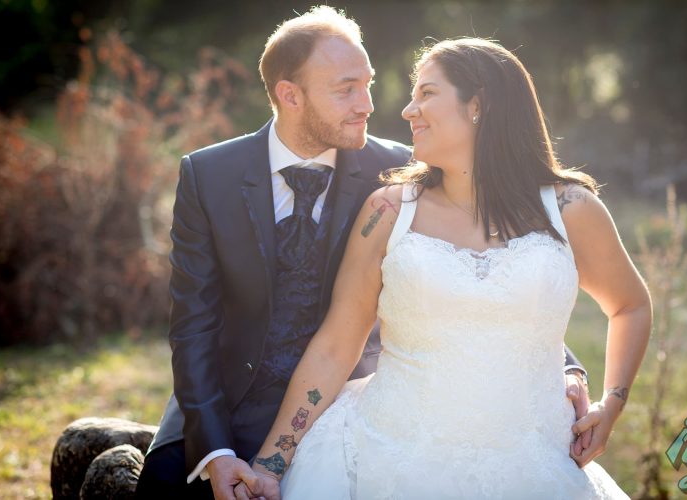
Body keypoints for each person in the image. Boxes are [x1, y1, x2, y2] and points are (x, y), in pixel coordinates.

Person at [136, 8, 591, 499]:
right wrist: (216, 451)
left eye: (368, 84)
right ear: (290, 95)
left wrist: (567, 366)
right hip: (227, 405)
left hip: (348, 404)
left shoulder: (402, 170)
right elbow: (193, 326)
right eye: (346, 89)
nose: (368, 104)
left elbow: (489, 260)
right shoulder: (209, 175)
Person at [239, 37, 652, 500]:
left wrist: (612, 405)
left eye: (427, 93)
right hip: (381, 459)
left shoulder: (572, 208)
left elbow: (630, 305)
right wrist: (270, 465)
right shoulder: (388, 212)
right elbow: (335, 348)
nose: (407, 110)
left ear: (478, 105)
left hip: (535, 465)